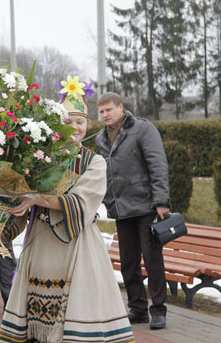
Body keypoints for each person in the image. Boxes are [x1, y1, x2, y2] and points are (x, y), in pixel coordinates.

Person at [0, 86, 134, 343]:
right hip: (40, 244)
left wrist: (36, 198)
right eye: (67, 121)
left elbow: (81, 202)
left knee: (76, 310)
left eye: (80, 122)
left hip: (78, 245)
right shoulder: (38, 157)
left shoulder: (94, 162)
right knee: (38, 314)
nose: (74, 127)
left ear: (87, 123)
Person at [95, 92, 170, 330]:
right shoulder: (100, 138)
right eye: (101, 111)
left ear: (121, 107)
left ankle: (158, 310)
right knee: (128, 262)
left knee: (152, 259)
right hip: (120, 208)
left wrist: (161, 200)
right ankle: (137, 308)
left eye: (109, 109)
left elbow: (157, 163)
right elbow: (101, 173)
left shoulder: (143, 129)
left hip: (147, 206)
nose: (105, 114)